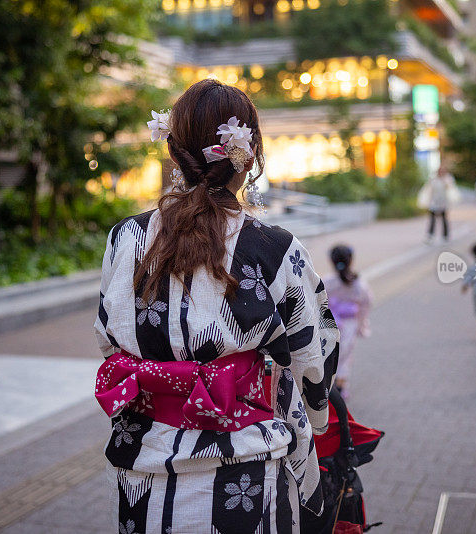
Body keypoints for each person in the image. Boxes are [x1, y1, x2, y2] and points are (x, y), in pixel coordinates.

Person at [93, 79, 339, 533]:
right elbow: (312, 350)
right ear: (248, 157)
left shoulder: (126, 237)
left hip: (144, 460)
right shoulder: (274, 247)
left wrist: (166, 374)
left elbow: (110, 339)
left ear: (174, 153)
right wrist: (319, 415)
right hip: (244, 460)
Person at [323, 245, 371, 399]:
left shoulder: (327, 282)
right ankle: (341, 388)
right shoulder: (358, 284)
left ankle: (329, 386)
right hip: (349, 324)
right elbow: (367, 302)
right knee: (344, 357)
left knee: (330, 355)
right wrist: (361, 323)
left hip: (329, 323)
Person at [419, 166, 459, 243]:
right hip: (434, 202)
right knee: (432, 219)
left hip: (443, 202)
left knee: (444, 219)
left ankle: (445, 235)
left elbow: (451, 189)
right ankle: (430, 236)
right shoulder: (433, 179)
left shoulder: (448, 179)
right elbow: (428, 190)